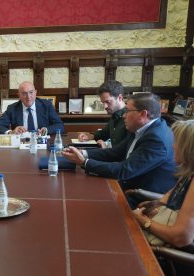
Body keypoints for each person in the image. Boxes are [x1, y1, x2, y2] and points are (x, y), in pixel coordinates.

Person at [62, 93, 176, 208]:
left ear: (143, 114)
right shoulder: (141, 128)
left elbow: (124, 171)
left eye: (127, 111)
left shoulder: (157, 139)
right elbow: (116, 152)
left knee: (82, 203)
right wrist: (83, 153)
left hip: (143, 198)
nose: (123, 116)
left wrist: (84, 162)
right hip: (129, 185)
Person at [133, 120, 194, 274]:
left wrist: (144, 221)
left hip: (174, 261)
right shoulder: (188, 172)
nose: (173, 146)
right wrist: (152, 206)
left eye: (177, 143)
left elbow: (181, 238)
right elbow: (168, 198)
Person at [0, 81, 64, 135]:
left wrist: (46, 130)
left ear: (35, 93)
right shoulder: (12, 108)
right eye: (24, 93)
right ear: (19, 95)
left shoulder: (46, 105)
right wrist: (11, 132)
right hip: (20, 145)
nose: (28, 96)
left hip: (42, 143)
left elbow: (60, 125)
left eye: (31, 92)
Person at [78, 80, 127, 148]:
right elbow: (104, 133)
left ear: (120, 98)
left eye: (108, 102)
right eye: (103, 103)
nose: (105, 107)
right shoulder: (115, 114)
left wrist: (105, 149)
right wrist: (90, 136)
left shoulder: (130, 117)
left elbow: (124, 151)